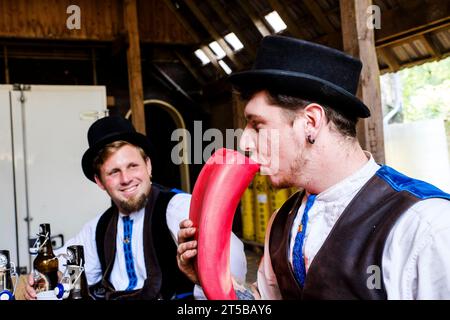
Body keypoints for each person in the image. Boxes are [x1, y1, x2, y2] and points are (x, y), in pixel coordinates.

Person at [177, 35, 450, 299]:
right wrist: (210, 276)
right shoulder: (281, 223)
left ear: (310, 122)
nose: (245, 142)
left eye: (257, 125)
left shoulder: (426, 227)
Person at [24, 115, 247, 300]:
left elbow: (232, 266)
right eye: (113, 172)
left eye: (133, 166)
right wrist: (43, 279)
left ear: (148, 166)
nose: (126, 178)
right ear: (100, 181)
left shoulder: (179, 208)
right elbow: (64, 262)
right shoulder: (98, 228)